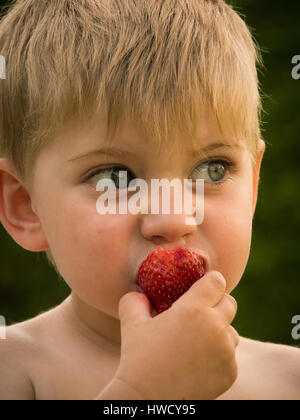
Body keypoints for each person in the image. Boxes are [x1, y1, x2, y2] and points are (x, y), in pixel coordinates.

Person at [0, 0, 299, 400]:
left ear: (254, 185)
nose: (174, 218)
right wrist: (144, 394)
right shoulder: (15, 372)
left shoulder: (289, 380)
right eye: (116, 178)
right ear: (25, 206)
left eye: (212, 169)